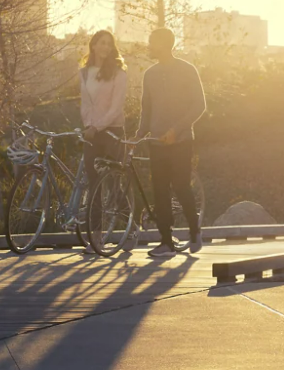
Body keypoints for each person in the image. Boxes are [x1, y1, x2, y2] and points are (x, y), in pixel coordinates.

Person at [136, 27, 207, 257]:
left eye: (152, 42)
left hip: (181, 141)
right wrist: (138, 135)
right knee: (160, 192)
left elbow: (199, 105)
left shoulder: (187, 70)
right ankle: (166, 242)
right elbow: (146, 109)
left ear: (166, 44)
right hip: (156, 143)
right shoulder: (149, 74)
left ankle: (194, 229)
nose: (149, 46)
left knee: (181, 186)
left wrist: (176, 130)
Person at [80, 30, 128, 254]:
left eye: (109, 44)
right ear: (93, 45)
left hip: (112, 132)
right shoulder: (84, 72)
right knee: (94, 185)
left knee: (112, 184)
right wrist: (88, 126)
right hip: (91, 134)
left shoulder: (119, 73)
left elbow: (115, 108)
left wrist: (97, 126)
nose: (105, 47)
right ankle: (96, 238)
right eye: (102, 43)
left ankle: (131, 228)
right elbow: (85, 105)